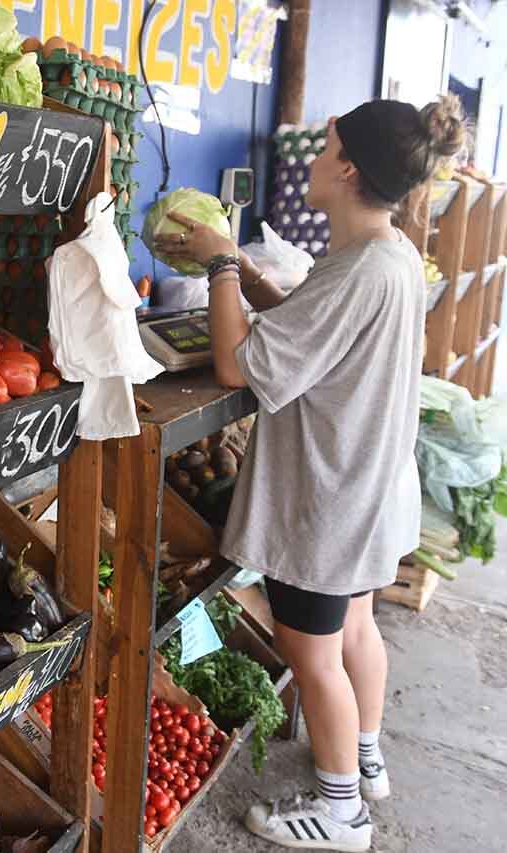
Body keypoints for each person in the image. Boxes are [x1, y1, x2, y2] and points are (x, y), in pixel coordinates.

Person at [154, 96, 465, 852]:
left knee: (312, 652)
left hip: (328, 497)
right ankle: (363, 757)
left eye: (326, 148)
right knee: (355, 624)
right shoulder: (382, 255)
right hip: (366, 485)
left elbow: (237, 364)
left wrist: (223, 259)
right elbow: (310, 328)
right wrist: (254, 281)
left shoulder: (361, 269)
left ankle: (340, 812)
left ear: (348, 168)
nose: (315, 161)